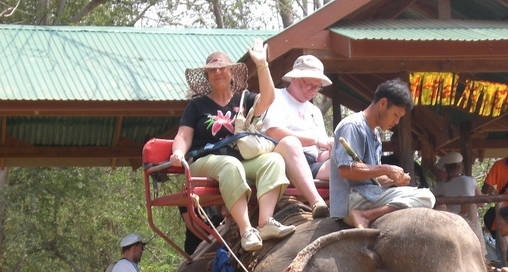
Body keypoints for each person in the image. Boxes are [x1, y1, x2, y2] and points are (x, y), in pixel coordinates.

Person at [169, 42, 295, 252]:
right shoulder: (197, 106)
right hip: (205, 162)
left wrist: (262, 64)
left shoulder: (244, 99)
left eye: (223, 67)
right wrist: (178, 153)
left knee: (274, 160)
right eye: (212, 70)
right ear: (207, 76)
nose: (218, 72)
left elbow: (268, 99)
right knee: (229, 165)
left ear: (231, 72)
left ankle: (265, 222)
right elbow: (183, 135)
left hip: (241, 159)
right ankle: (247, 231)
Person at [330, 79, 435, 228]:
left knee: (421, 194)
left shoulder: (376, 136)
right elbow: (346, 170)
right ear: (383, 104)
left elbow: (374, 177)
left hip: (368, 194)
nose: (397, 122)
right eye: (396, 115)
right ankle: (365, 215)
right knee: (426, 197)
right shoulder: (352, 125)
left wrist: (393, 180)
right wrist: (387, 169)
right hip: (352, 199)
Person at [262, 54, 331, 218]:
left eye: (317, 87)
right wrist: (315, 140)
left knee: (343, 163)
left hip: (312, 164)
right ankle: (317, 202)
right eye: (309, 85)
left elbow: (320, 154)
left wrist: (333, 149)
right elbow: (272, 131)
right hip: (282, 161)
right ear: (294, 79)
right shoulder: (275, 97)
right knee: (291, 143)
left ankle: (351, 208)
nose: (313, 90)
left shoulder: (314, 111)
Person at [433, 151, 480, 219]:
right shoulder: (471, 180)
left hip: (453, 220)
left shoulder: (439, 186)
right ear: (460, 167)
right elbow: (481, 203)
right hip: (471, 218)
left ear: (446, 168)